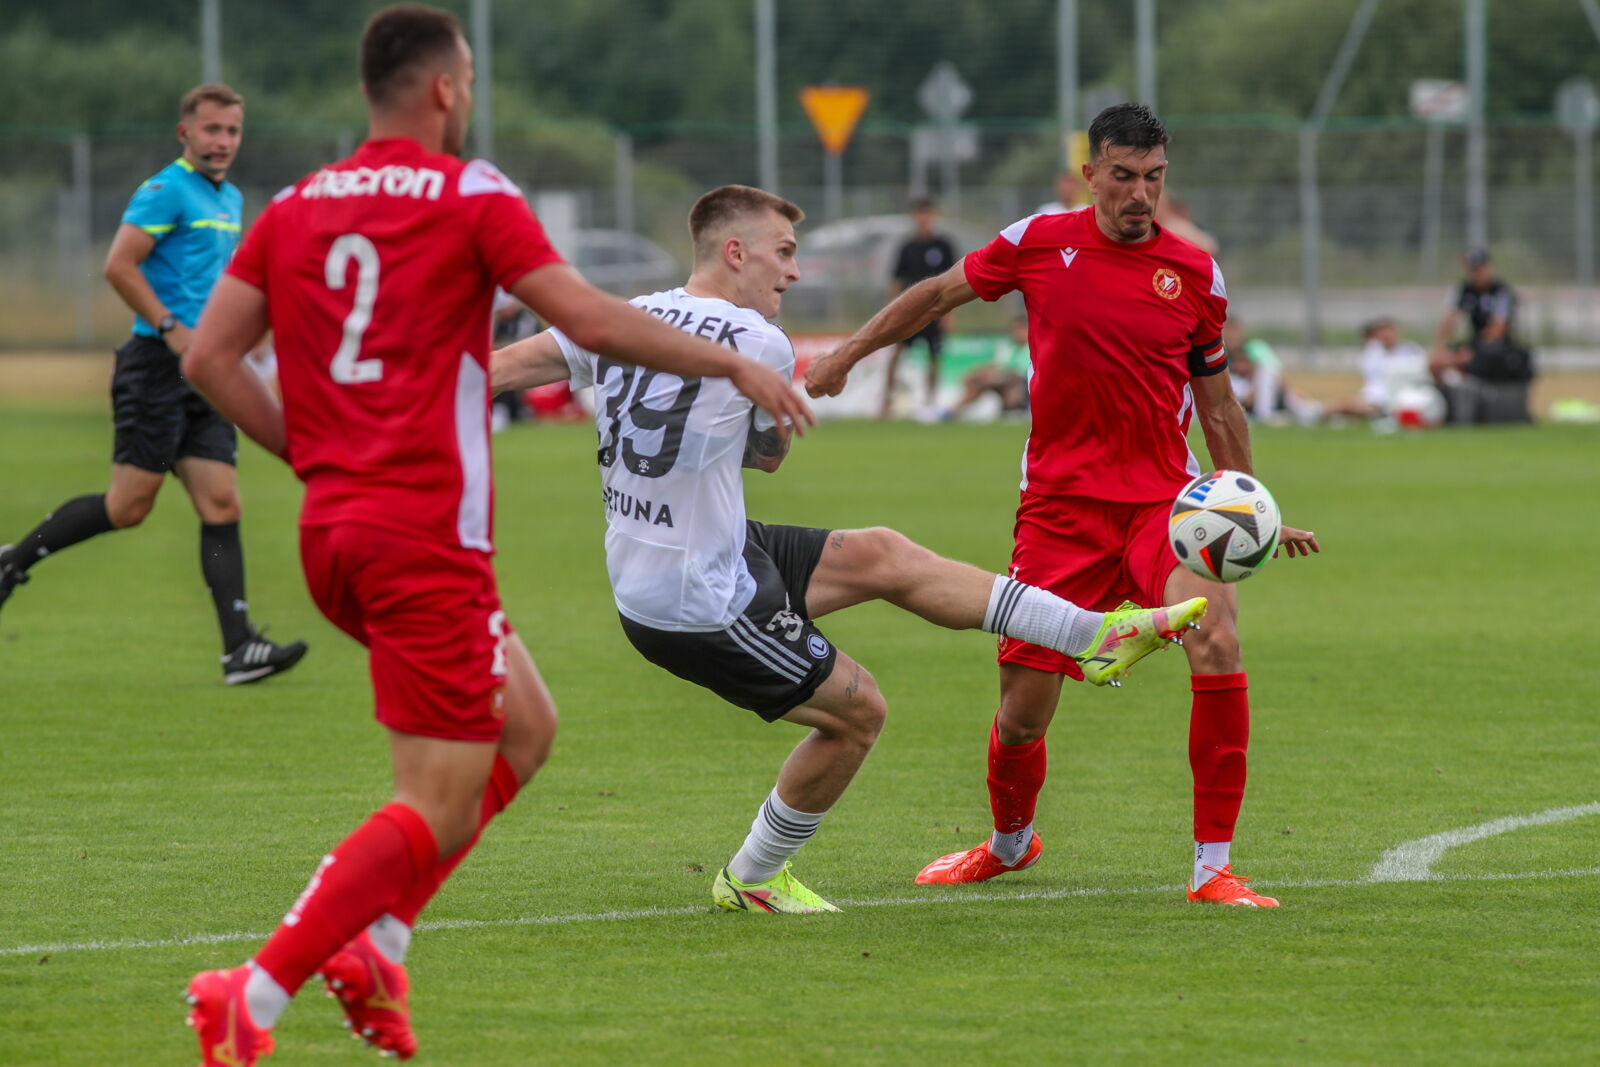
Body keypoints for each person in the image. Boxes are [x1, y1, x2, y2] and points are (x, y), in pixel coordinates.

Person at [177, 9, 811, 1066]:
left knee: (526, 729)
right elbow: (592, 321)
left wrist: (317, 457)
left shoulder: (293, 204)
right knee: (434, 794)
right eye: (466, 77)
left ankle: (380, 942)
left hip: (336, 528)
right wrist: (736, 364)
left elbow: (208, 359)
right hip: (420, 537)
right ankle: (256, 988)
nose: (466, 93)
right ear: (443, 88)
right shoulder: (469, 192)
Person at [491, 183, 1207, 915]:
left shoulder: (621, 315)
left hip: (698, 553)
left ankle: (1089, 634)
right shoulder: (757, 339)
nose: (793, 272)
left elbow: (503, 368)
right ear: (735, 253)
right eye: (784, 252)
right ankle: (753, 875)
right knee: (858, 713)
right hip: (697, 597)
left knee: (883, 554)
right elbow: (765, 458)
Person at [806, 103, 1320, 907]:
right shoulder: (1038, 242)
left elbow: (1218, 407)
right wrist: (844, 356)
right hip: (1058, 509)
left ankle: (1212, 868)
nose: (1139, 194)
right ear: (1091, 174)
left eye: (1153, 178)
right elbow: (938, 294)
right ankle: (1010, 844)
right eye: (1123, 176)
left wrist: (1252, 505)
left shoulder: (1195, 275)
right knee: (1022, 711)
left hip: (1166, 508)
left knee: (1216, 637)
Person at [0, 84, 307, 684]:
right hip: (157, 368)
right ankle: (13, 559)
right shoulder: (166, 189)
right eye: (212, 130)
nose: (222, 142)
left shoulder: (231, 197)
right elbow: (119, 264)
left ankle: (239, 648)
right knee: (128, 506)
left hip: (209, 369)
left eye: (233, 131)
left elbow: (215, 280)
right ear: (184, 133)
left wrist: (250, 333)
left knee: (221, 502)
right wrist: (169, 328)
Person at [1430, 248, 1534, 423]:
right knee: (1436, 364)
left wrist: (1470, 352)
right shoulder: (1464, 289)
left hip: (1499, 347)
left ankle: (1471, 409)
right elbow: (1449, 320)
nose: (1477, 273)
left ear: (1488, 267)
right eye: (1473, 269)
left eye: (1480, 268)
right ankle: (1448, 410)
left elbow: (1497, 329)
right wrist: (1439, 347)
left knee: (1464, 361)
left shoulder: (1502, 292)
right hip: (1474, 344)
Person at [880, 199, 958, 420]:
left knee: (934, 357)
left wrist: (950, 313)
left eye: (928, 215)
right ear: (915, 218)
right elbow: (896, 281)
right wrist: (891, 312)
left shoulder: (943, 246)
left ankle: (929, 403)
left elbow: (954, 280)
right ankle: (886, 402)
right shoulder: (907, 247)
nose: (924, 219)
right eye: (920, 215)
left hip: (936, 309)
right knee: (896, 354)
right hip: (910, 311)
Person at [950, 314, 1030, 419]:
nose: (1016, 333)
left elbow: (1019, 371)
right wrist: (978, 372)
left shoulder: (1031, 348)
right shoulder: (1011, 349)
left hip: (1020, 383)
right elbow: (998, 364)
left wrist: (992, 376)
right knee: (976, 380)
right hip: (1004, 381)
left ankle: (1016, 407)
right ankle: (953, 411)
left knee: (1012, 379)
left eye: (1019, 329)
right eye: (1014, 329)